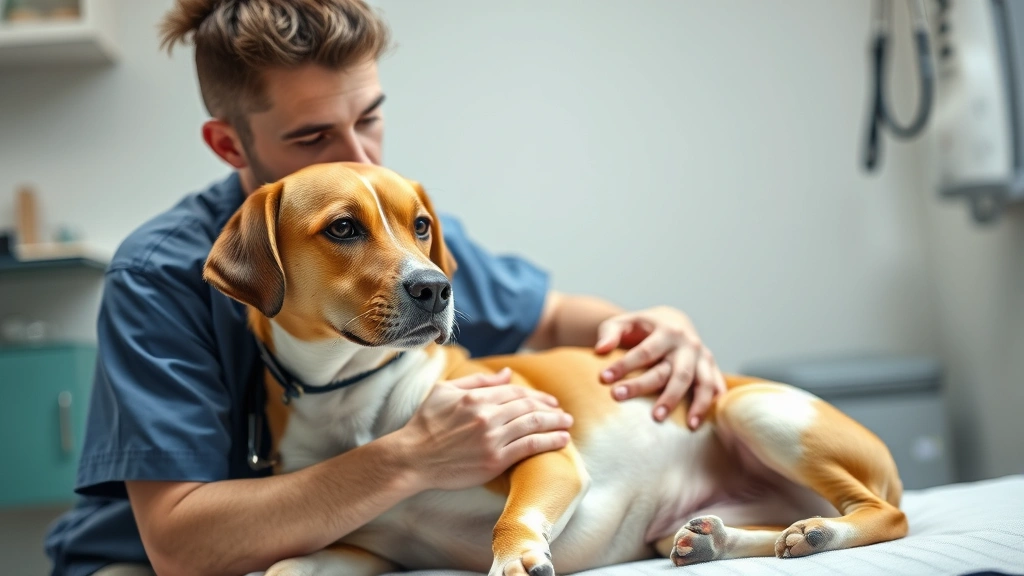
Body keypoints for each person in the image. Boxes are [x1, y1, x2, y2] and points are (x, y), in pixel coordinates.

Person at [43, 1, 726, 575]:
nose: (359, 159)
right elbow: (182, 544)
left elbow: (553, 318)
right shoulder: (161, 274)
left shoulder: (397, 224)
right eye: (313, 136)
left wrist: (654, 326)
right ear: (228, 145)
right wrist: (412, 458)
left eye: (369, 117)